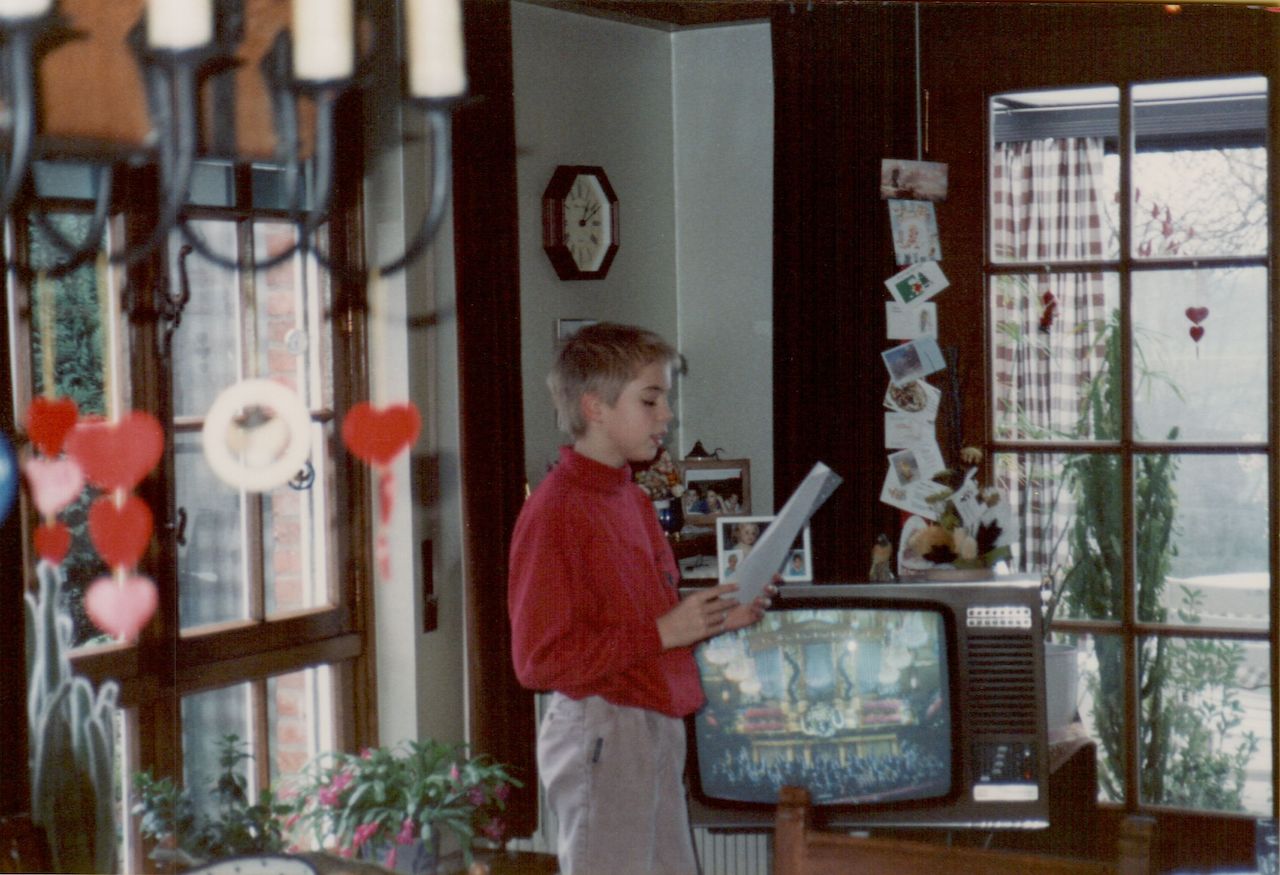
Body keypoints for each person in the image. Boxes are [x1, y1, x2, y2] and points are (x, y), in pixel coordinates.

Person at [509, 322, 775, 875]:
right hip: (602, 730)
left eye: (666, 400)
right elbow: (538, 661)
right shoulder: (557, 509)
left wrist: (721, 615)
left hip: (653, 722)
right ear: (595, 407)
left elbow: (647, 615)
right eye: (650, 399)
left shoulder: (627, 495)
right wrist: (665, 633)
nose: (666, 417)